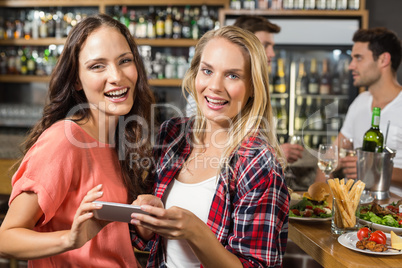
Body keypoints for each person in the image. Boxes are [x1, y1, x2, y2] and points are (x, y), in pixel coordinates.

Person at [0, 14, 154, 266]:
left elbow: (107, 241)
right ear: (76, 80)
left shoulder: (120, 139)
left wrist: (143, 223)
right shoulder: (64, 140)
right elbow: (6, 239)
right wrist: (70, 239)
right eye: (97, 66)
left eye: (125, 61)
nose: (116, 76)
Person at [130, 26, 290, 267]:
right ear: (195, 75)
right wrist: (147, 223)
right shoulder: (172, 134)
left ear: (253, 88)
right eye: (207, 71)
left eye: (232, 75)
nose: (215, 86)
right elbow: (150, 244)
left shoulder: (259, 164)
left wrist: (195, 231)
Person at [186, 15, 303, 164]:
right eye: (265, 45)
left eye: (232, 75)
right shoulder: (205, 97)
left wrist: (269, 155)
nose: (272, 53)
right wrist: (273, 155)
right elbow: (203, 141)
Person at [316, 27, 402, 184]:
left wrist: (373, 169)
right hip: (357, 207)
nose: (351, 66)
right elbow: (329, 156)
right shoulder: (360, 102)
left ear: (384, 60)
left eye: (359, 58)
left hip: (394, 207)